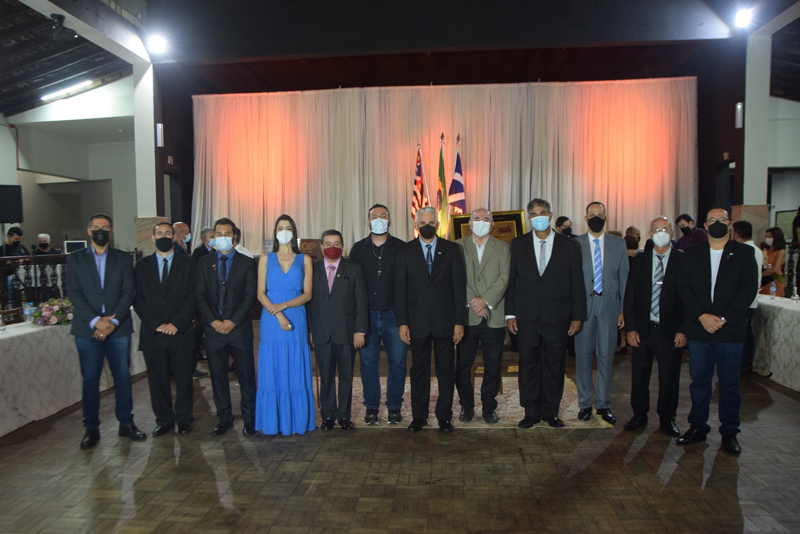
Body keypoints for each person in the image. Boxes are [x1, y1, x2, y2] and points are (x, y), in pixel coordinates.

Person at [676, 206, 758, 454]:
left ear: (730, 224)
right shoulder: (692, 253)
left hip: (729, 329)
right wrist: (702, 316)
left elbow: (749, 289)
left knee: (730, 384)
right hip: (700, 328)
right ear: (705, 225)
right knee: (699, 382)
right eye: (712, 220)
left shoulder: (744, 253)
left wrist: (723, 318)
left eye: (722, 219)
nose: (717, 223)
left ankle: (730, 432)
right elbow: (684, 288)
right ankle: (698, 427)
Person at [66, 213, 145, 449]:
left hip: (117, 328)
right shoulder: (75, 259)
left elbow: (128, 291)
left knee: (122, 377)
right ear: (89, 230)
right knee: (90, 380)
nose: (101, 231)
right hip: (87, 329)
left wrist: (113, 321)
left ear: (111, 231)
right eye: (96, 227)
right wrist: (96, 321)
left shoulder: (122, 258)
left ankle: (126, 423)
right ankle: (91, 428)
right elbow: (73, 293)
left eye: (105, 227)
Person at [506, 199, 586, 428]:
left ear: (550, 216)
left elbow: (577, 282)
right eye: (534, 214)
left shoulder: (570, 246)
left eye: (542, 213)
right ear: (529, 218)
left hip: (557, 316)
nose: (538, 217)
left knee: (554, 365)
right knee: (528, 364)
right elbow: (512, 281)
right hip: (526, 316)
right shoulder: (518, 244)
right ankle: (530, 412)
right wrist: (510, 314)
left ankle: (551, 411)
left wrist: (578, 316)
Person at [395, 206, 466, 433]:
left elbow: (459, 289)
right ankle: (419, 417)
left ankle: (444, 416)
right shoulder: (405, 251)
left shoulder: (452, 249)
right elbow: (400, 290)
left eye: (431, 222)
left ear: (438, 224)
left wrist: (459, 322)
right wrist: (402, 322)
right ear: (416, 225)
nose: (427, 226)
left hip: (446, 321)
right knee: (419, 370)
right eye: (423, 223)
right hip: (416, 322)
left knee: (446, 370)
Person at [623, 217, 685, 436]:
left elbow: (688, 299)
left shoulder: (682, 261)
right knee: (639, 375)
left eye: (665, 229)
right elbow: (630, 297)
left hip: (670, 330)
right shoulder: (640, 261)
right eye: (656, 230)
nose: (661, 233)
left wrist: (683, 329)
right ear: (650, 234)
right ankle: (639, 415)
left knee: (669, 377)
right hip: (643, 329)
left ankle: (667, 419)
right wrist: (630, 328)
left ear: (672, 233)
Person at [134, 222, 198, 436]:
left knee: (183, 379)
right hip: (154, 333)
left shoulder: (188, 263)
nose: (163, 236)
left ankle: (184, 418)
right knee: (157, 380)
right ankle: (164, 420)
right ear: (153, 237)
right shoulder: (142, 266)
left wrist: (177, 323)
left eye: (167, 233)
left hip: (181, 332)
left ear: (173, 237)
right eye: (159, 233)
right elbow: (138, 299)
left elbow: (193, 296)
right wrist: (156, 324)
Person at [195, 217, 258, 436]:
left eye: (227, 234)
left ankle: (250, 420)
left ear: (235, 236)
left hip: (239, 330)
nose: (223, 238)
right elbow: (200, 296)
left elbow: (250, 297)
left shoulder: (246, 263)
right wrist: (213, 321)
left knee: (246, 377)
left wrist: (232, 321)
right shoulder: (204, 263)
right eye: (218, 234)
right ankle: (224, 419)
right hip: (214, 331)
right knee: (218, 377)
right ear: (213, 237)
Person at [255, 215, 316, 435]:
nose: (284, 231)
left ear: (294, 232)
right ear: (275, 232)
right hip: (271, 319)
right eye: (280, 228)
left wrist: (285, 306)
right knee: (273, 366)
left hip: (296, 316)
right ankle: (273, 422)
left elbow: (307, 294)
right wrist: (278, 313)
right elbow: (260, 293)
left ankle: (297, 422)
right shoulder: (265, 258)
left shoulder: (304, 259)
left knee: (295, 365)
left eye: (288, 228)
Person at [349, 204, 407, 425]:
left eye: (383, 216)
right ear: (368, 222)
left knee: (398, 363)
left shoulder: (401, 247)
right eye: (375, 216)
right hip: (367, 316)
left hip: (395, 315)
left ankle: (394, 407)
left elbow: (408, 284)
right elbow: (352, 286)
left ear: (390, 221)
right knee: (368, 363)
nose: (379, 219)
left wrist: (405, 319)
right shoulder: (358, 249)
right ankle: (371, 407)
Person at [574, 201, 629, 425]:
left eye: (600, 214)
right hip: (583, 309)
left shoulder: (618, 244)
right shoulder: (575, 244)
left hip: (609, 307)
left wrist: (623, 309)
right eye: (592, 214)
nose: (596, 218)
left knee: (606, 357)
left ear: (606, 218)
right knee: (583, 356)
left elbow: (624, 278)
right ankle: (585, 404)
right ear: (585, 219)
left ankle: (604, 404)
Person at [454, 208, 510, 424]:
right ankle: (466, 406)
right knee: (462, 365)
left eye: (486, 219)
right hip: (466, 317)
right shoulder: (457, 247)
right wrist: (474, 302)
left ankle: (489, 407)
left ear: (492, 224)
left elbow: (504, 278)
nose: (481, 222)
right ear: (469, 223)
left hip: (493, 316)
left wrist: (485, 300)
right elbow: (456, 278)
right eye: (477, 219)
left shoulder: (503, 248)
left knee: (493, 364)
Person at [309, 230, 368, 430]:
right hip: (321, 332)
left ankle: (344, 416)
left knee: (346, 376)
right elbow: (308, 304)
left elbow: (361, 302)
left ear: (343, 246)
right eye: (327, 243)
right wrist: (310, 330)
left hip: (347, 332)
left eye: (336, 243)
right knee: (325, 376)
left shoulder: (354, 268)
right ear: (321, 247)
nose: (332, 247)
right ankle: (327, 415)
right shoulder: (312, 270)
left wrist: (360, 330)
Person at [731, 221, 762, 373]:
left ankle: (743, 363)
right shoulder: (757, 250)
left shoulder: (746, 250)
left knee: (743, 332)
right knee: (746, 331)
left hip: (745, 300)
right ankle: (744, 362)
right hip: (751, 299)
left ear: (736, 234)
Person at [759, 227, 786, 297]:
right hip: (764, 280)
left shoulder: (780, 251)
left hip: (774, 280)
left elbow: (774, 269)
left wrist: (759, 275)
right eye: (766, 236)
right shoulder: (765, 250)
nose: (767, 238)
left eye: (770, 237)